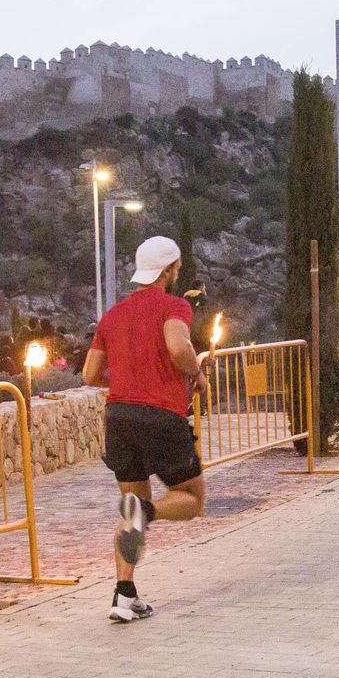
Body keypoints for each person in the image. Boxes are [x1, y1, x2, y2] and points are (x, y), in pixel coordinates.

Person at [82, 235, 208, 623]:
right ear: (169, 270)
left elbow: (89, 375)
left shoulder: (113, 315)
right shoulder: (175, 305)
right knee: (191, 498)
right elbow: (177, 346)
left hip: (118, 418)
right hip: (160, 418)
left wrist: (125, 382)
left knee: (129, 510)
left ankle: (124, 594)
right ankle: (149, 511)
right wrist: (197, 374)